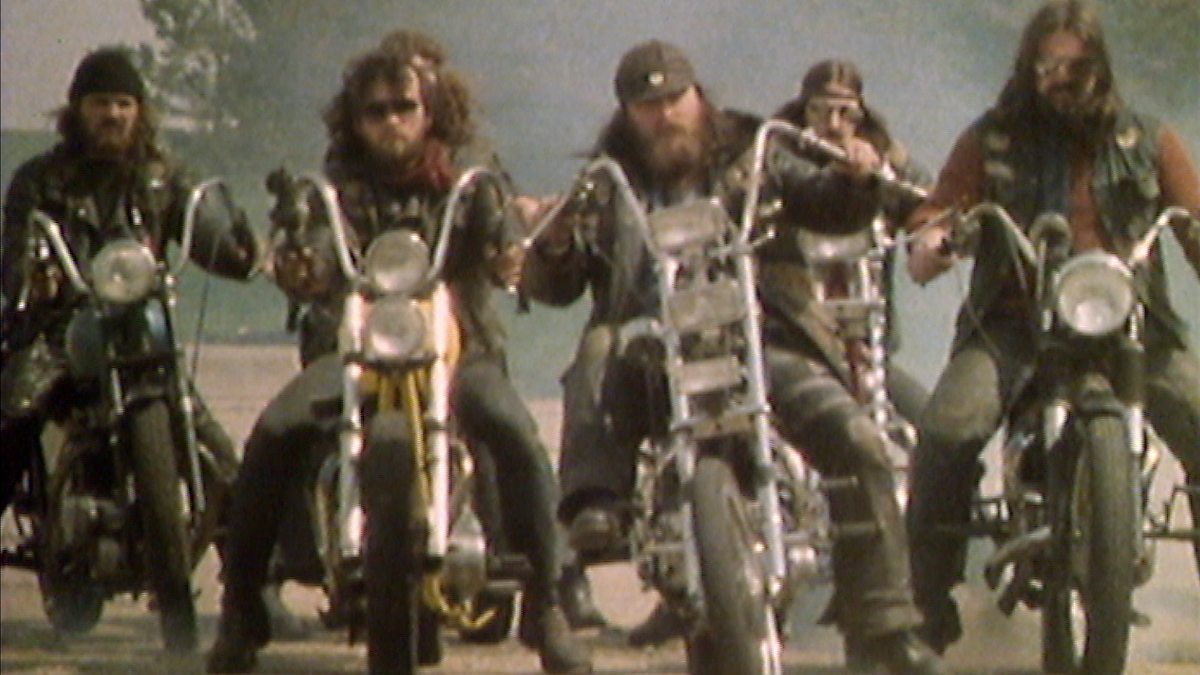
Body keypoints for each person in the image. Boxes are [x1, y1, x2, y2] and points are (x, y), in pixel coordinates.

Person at [521, 39, 945, 674]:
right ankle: (594, 504)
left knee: (858, 438)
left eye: (675, 99)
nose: (665, 115)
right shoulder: (607, 180)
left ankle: (886, 623)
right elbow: (559, 285)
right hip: (652, 351)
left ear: (698, 96)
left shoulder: (758, 149)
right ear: (627, 113)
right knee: (599, 346)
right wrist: (553, 244)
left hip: (764, 338)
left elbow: (825, 203)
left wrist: (853, 179)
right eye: (648, 105)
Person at [206, 42, 591, 674]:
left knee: (516, 432)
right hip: (356, 354)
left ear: (430, 110)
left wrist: (508, 254)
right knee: (275, 430)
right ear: (354, 120)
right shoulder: (334, 186)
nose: (391, 121)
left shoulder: (470, 178)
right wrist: (303, 266)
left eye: (404, 107)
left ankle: (547, 606)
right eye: (375, 111)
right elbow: (314, 248)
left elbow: (501, 234)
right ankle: (241, 607)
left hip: (457, 350)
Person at [904, 0, 1200, 655]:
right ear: (1027, 66)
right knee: (947, 429)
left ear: (1100, 67)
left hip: (1130, 324)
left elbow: (1193, 219)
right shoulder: (992, 140)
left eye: (1075, 65)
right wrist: (934, 239)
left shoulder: (1148, 140)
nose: (1060, 78)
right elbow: (935, 211)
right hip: (1013, 324)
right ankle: (926, 603)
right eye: (1046, 64)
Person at [0, 47, 258, 537]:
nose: (113, 115)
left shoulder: (162, 178)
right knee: (14, 416)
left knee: (218, 454)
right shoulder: (39, 180)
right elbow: (16, 256)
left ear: (140, 112)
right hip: (59, 332)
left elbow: (206, 236)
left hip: (142, 333)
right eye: (100, 103)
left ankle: (248, 572)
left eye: (123, 103)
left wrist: (239, 246)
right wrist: (34, 277)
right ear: (77, 109)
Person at [774, 59, 931, 426]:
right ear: (803, 112)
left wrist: (929, 239)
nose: (833, 124)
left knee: (935, 430)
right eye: (820, 111)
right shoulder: (777, 162)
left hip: (869, 352)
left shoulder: (886, 162)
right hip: (795, 350)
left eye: (845, 113)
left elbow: (928, 204)